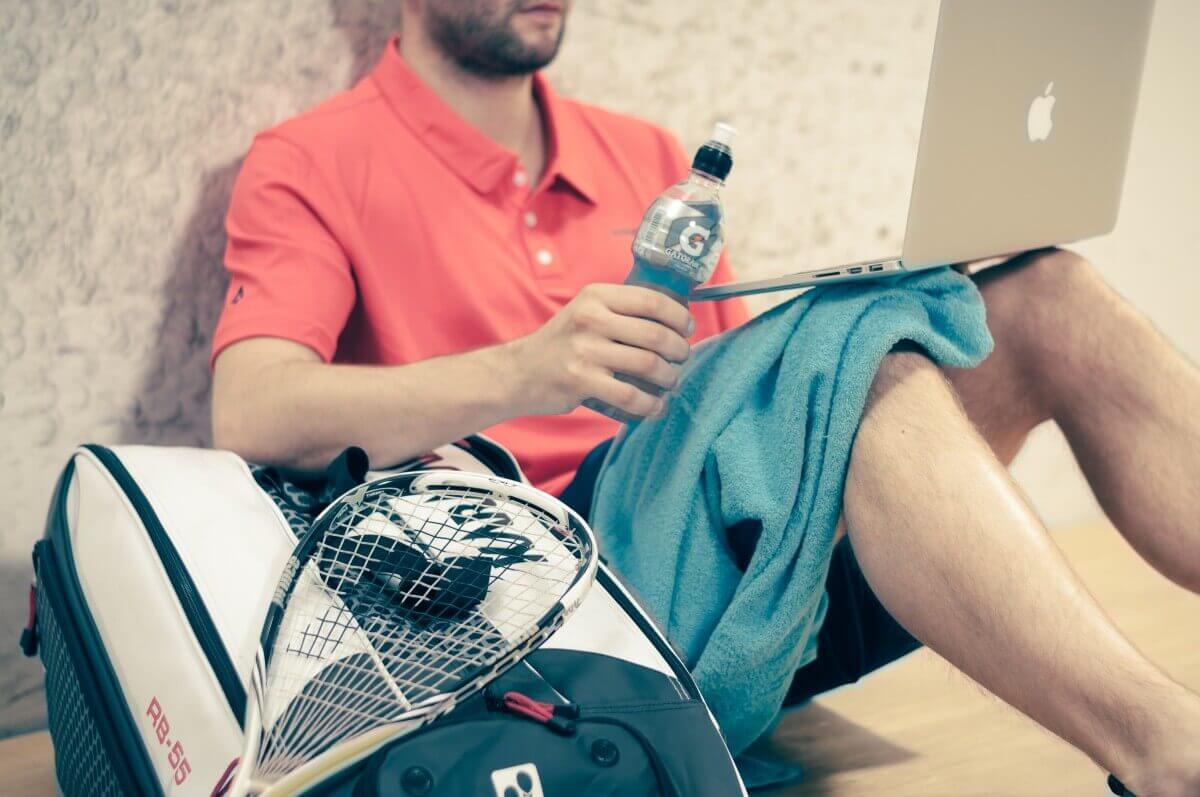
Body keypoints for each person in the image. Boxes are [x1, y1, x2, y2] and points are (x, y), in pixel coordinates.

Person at [209, 2, 1200, 793]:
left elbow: (747, 408)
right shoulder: (312, 158)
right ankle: (1172, 753)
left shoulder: (646, 155)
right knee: (849, 358)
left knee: (1047, 296)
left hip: (740, 585)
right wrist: (529, 368)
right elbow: (251, 411)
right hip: (551, 604)